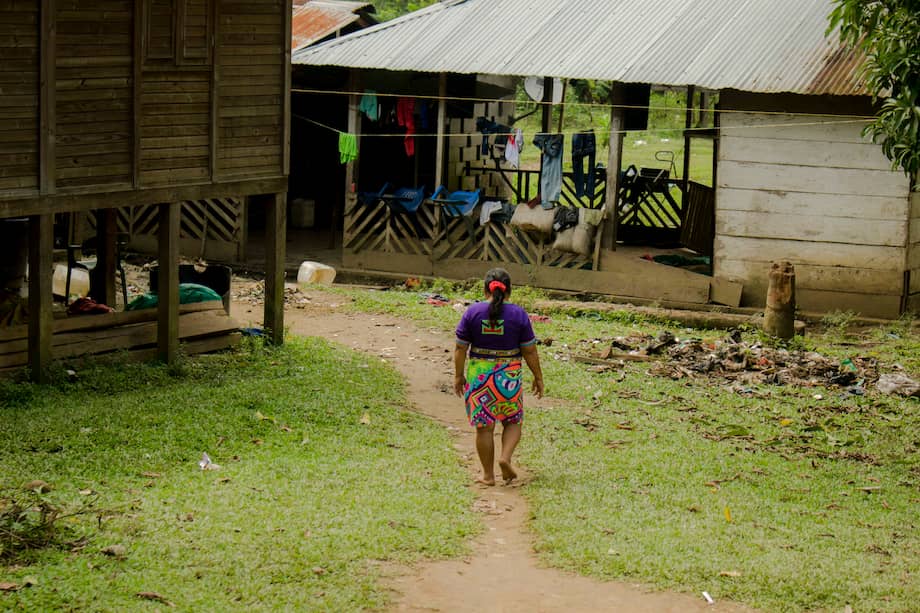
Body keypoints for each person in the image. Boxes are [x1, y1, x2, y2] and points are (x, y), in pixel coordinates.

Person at [454, 268, 544, 485]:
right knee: (513, 421)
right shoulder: (519, 314)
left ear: (485, 289)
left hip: (480, 376)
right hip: (508, 376)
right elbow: (529, 351)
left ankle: (487, 475)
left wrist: (458, 376)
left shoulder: (472, 312)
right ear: (509, 291)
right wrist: (538, 377)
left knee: (484, 427)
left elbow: (460, 348)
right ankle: (505, 458)